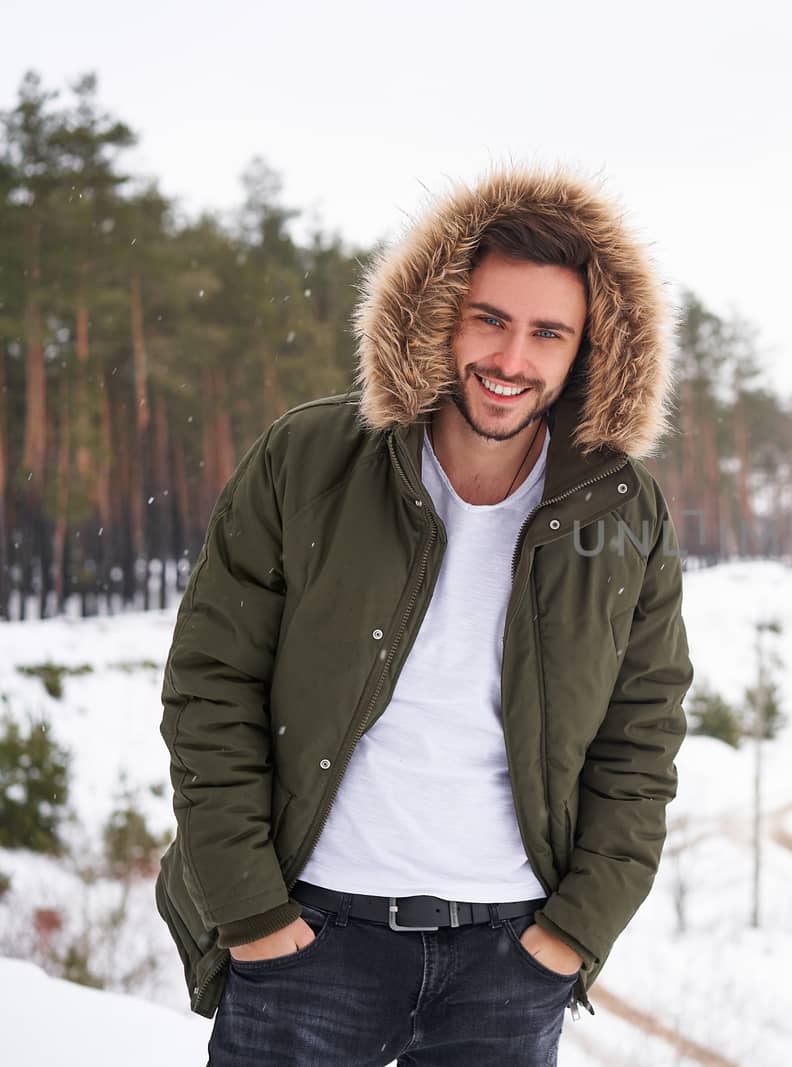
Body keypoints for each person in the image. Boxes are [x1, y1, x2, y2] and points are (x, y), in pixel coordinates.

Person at [152, 164, 695, 1065]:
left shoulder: (623, 510)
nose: (511, 360)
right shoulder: (311, 458)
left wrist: (571, 934)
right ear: (439, 314)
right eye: (490, 319)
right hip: (309, 941)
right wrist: (252, 914)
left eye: (547, 333)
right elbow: (212, 687)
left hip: (508, 963)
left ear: (588, 350)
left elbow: (643, 739)